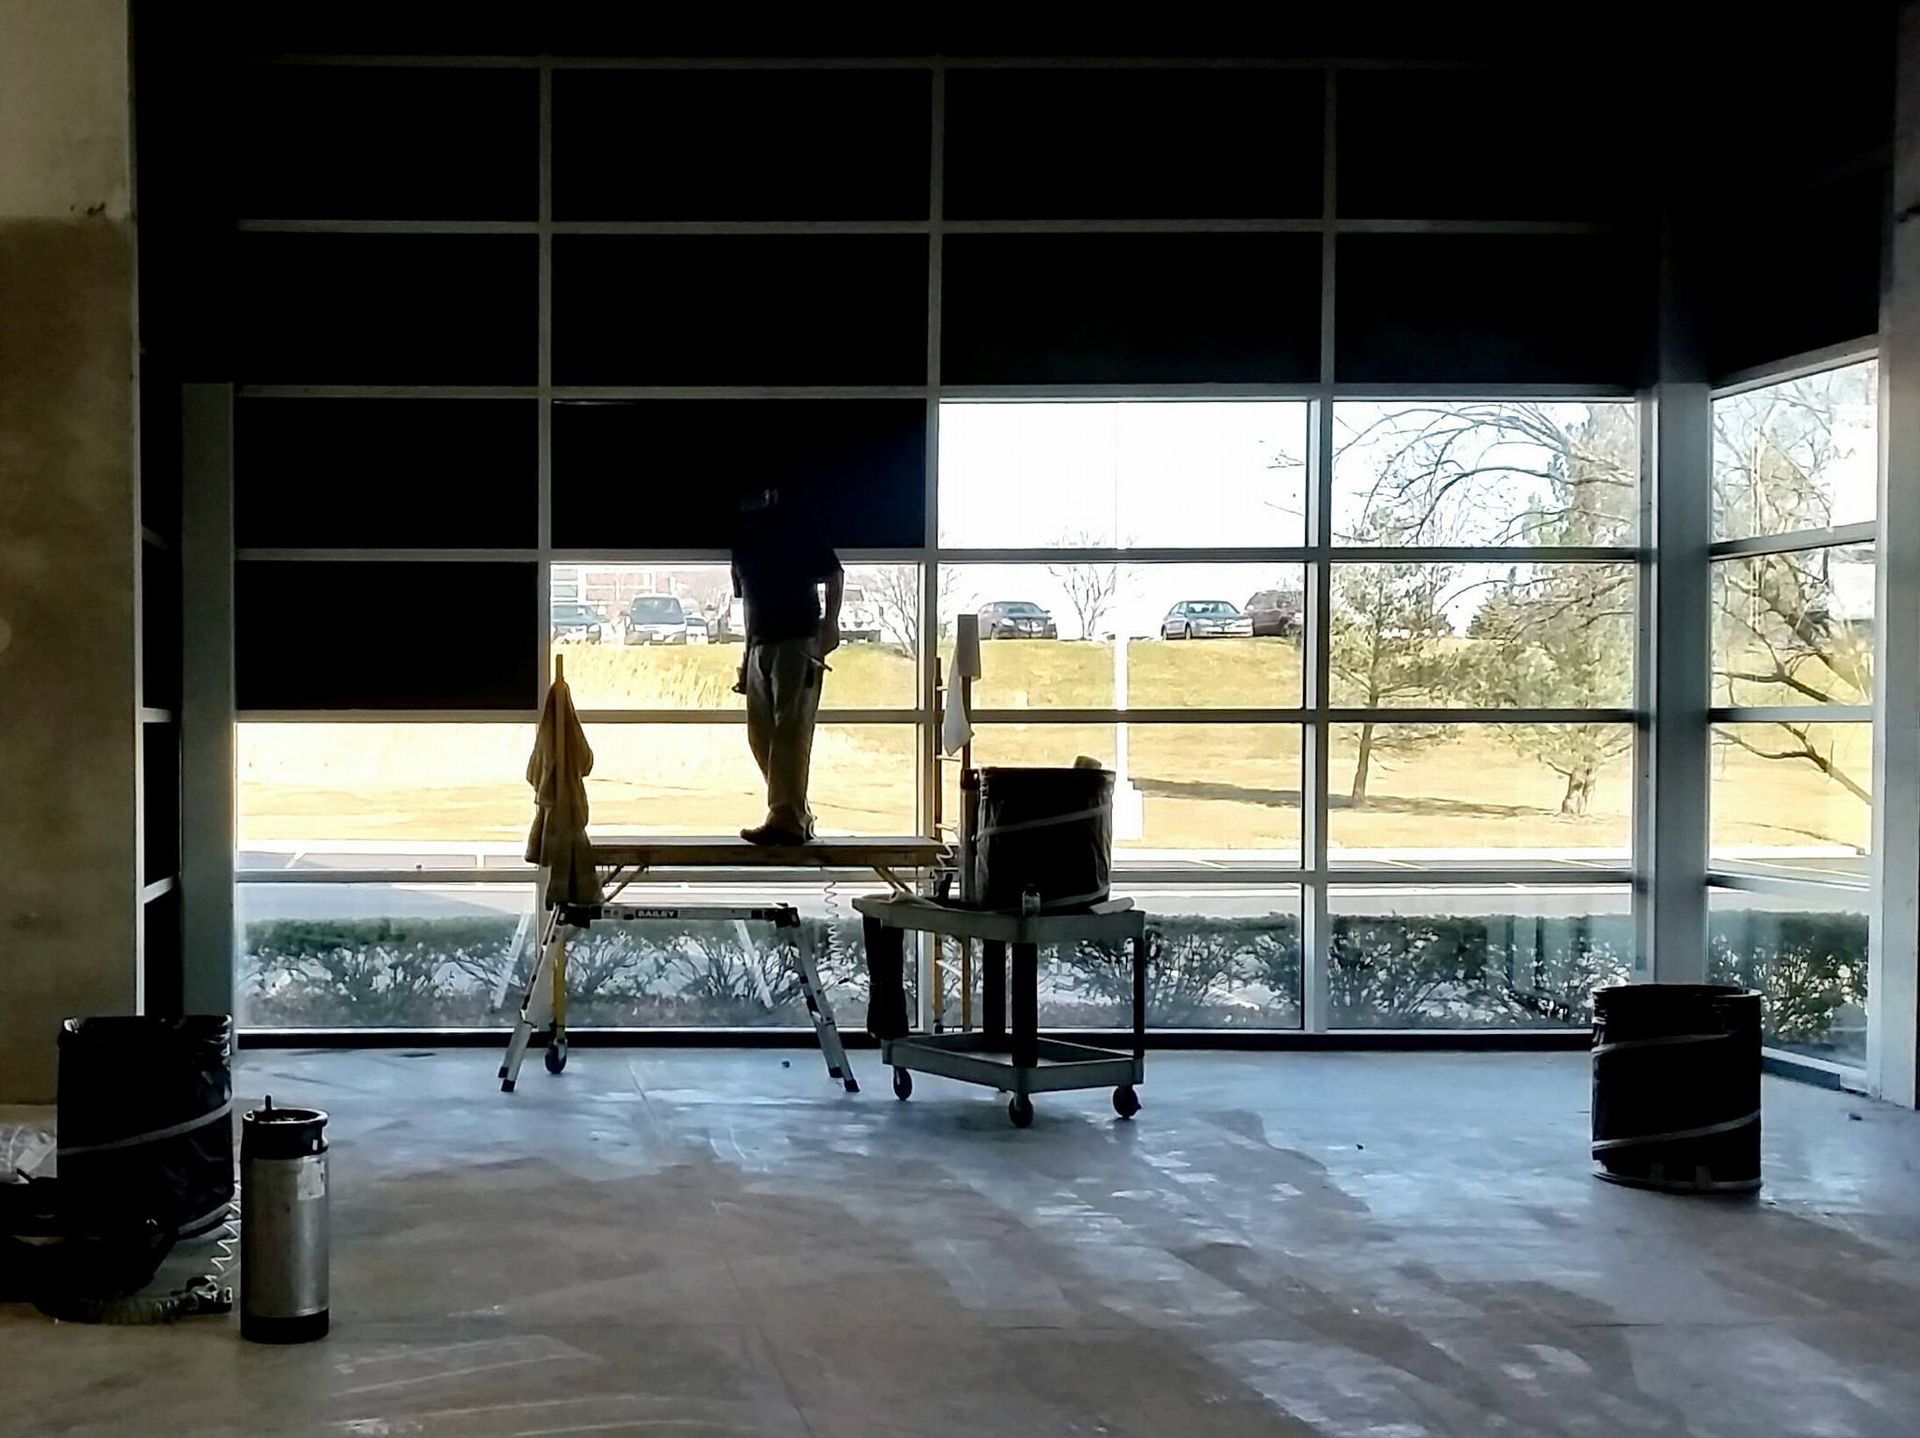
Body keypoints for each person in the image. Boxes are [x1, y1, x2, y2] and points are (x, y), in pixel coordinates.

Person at [730, 485, 842, 844]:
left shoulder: (796, 526)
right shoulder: (743, 542)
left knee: (791, 731)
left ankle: (786, 817)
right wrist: (747, 658)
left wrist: (831, 625)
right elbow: (748, 603)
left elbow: (834, 574)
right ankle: (796, 813)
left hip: (798, 638)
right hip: (761, 643)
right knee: (760, 735)